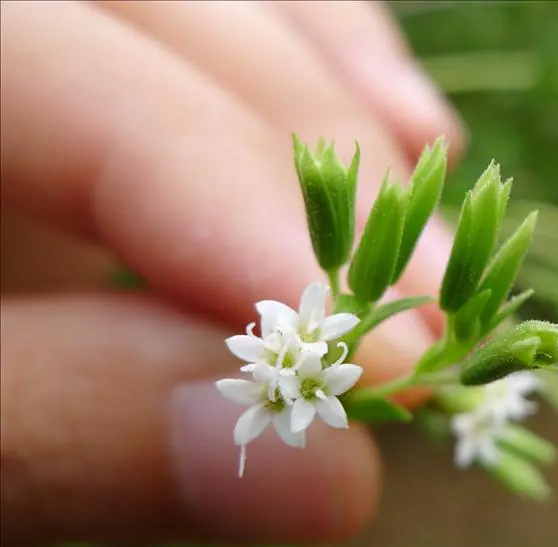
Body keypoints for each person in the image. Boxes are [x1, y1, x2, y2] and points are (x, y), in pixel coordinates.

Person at [0, 2, 464, 545]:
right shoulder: (303, 347)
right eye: (302, 380)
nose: (299, 375)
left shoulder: (308, 347)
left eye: (303, 381)